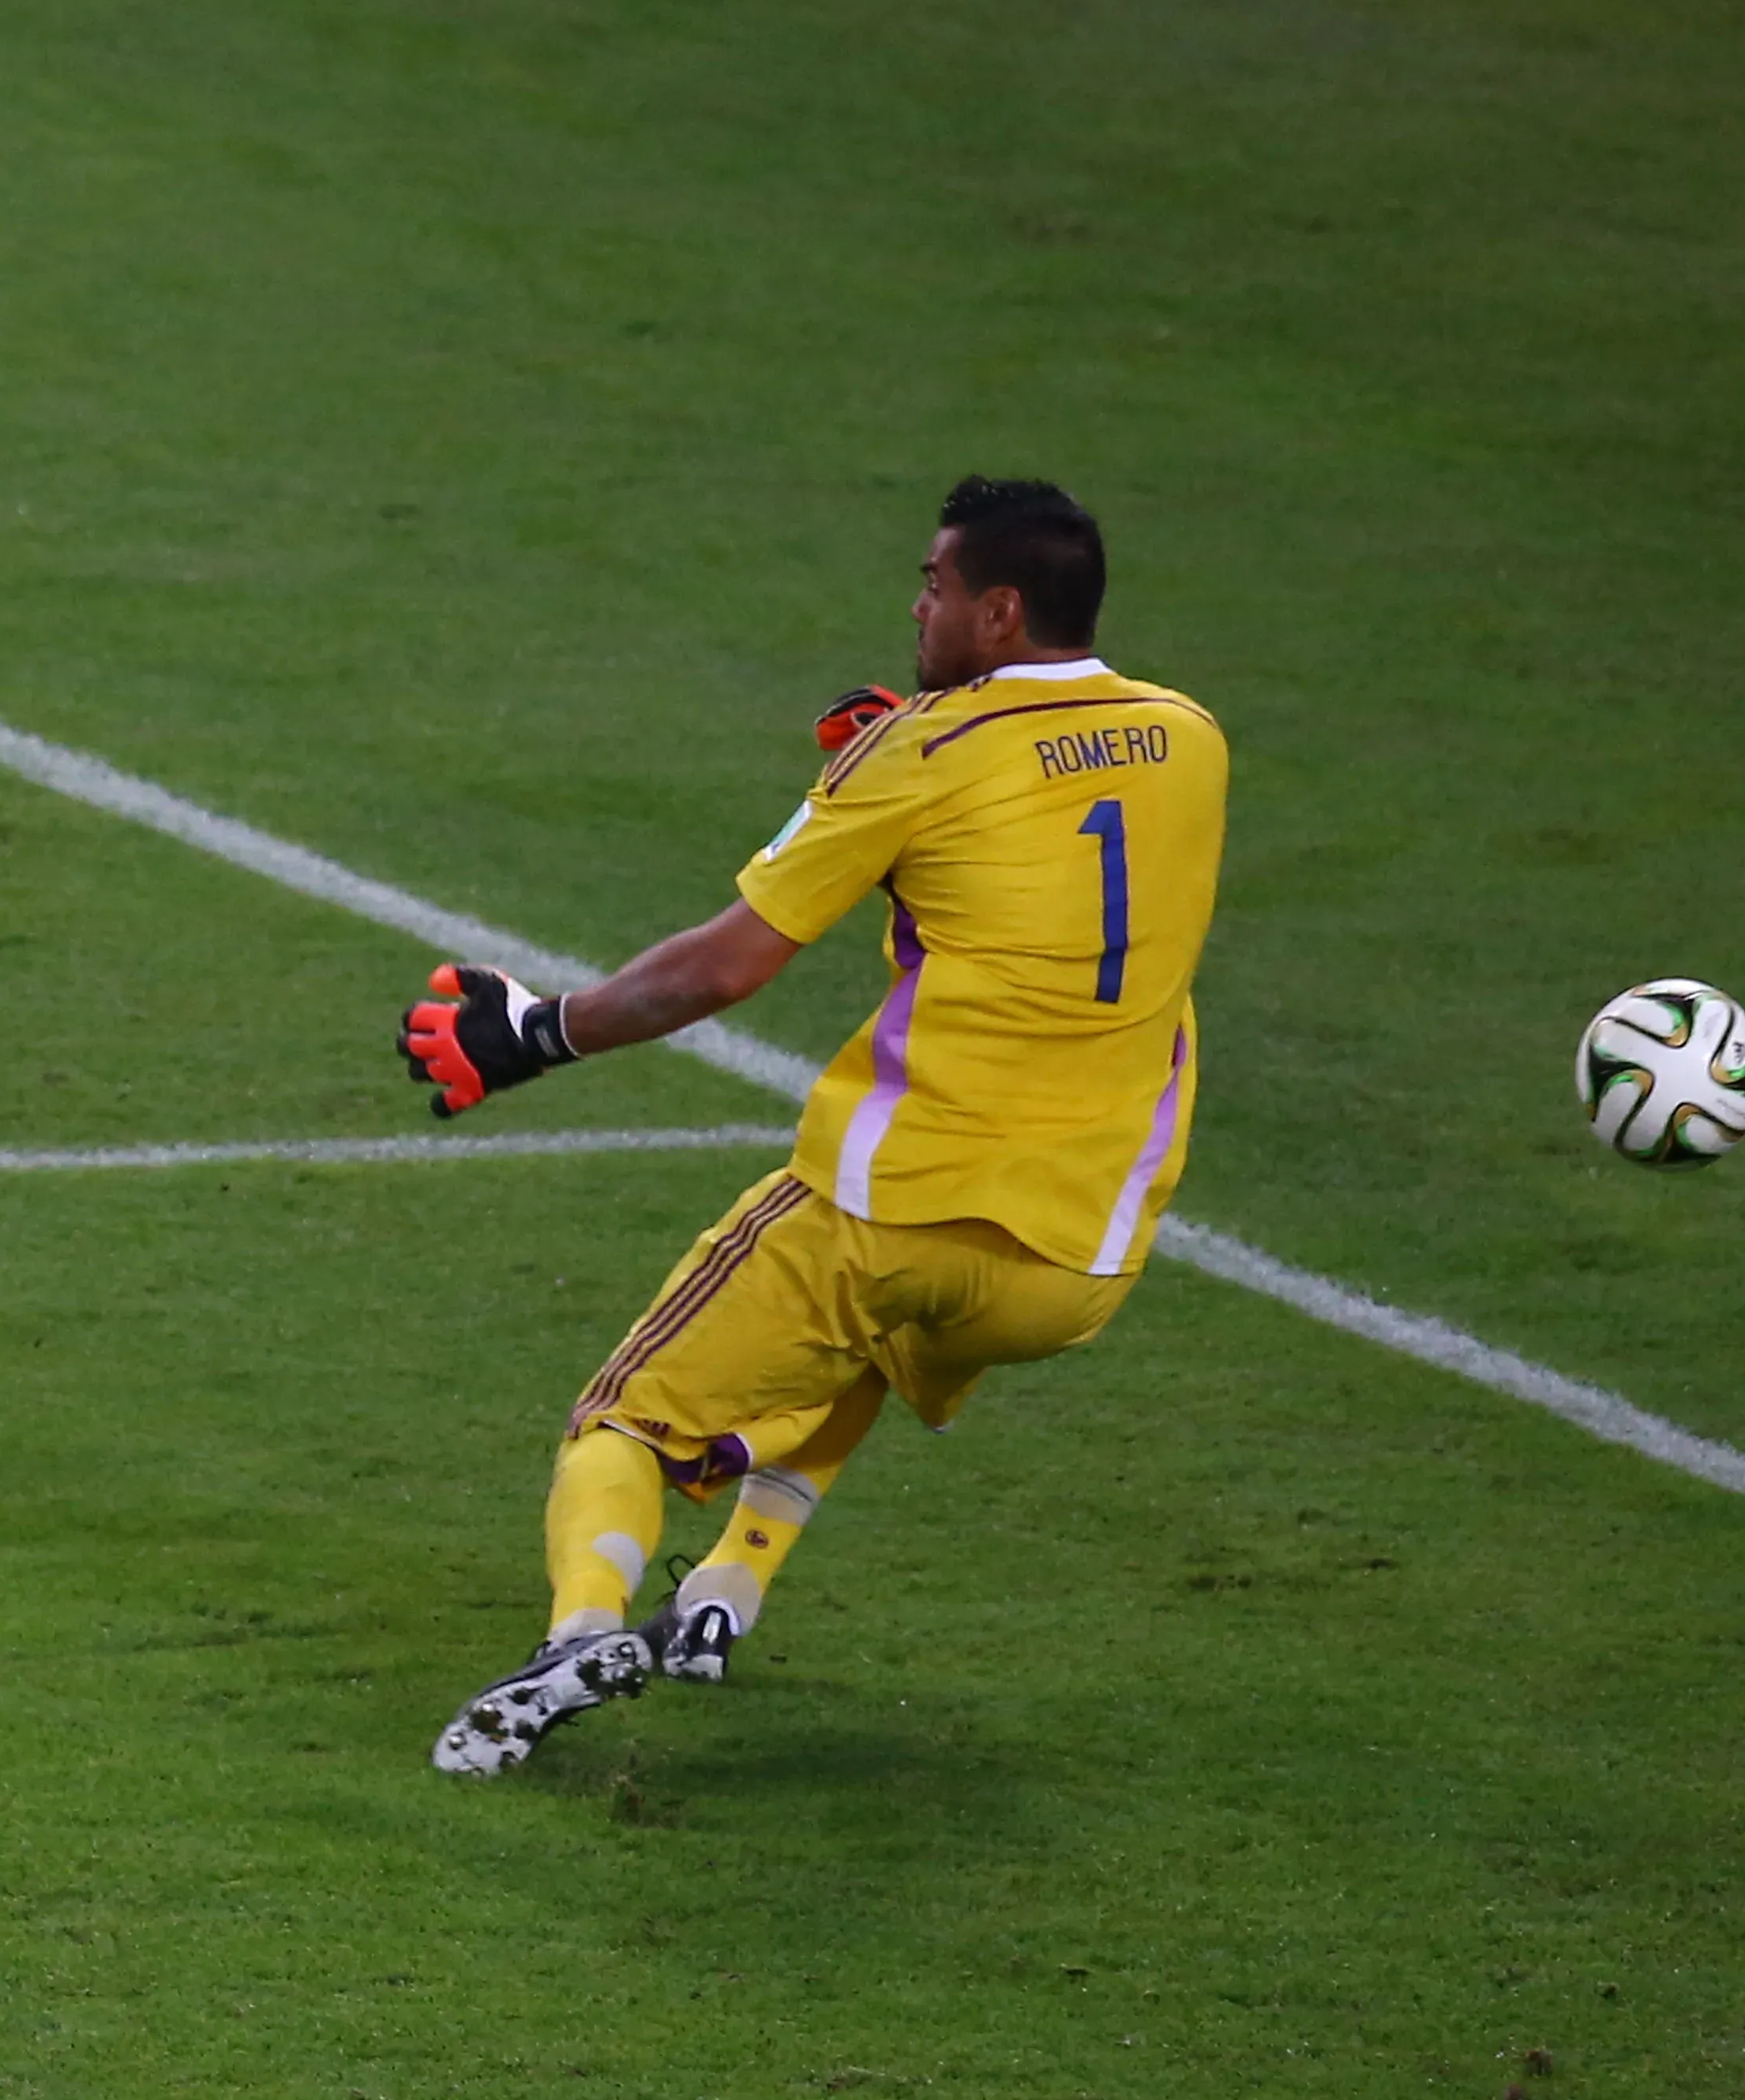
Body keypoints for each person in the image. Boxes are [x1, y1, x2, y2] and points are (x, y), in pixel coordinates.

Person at [395, 477, 1227, 1775]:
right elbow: (1041, 846)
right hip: (1076, 1263)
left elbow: (718, 970)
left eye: (937, 587)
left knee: (625, 1421)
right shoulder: (1191, 738)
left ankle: (577, 1636)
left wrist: (540, 1031)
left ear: (1000, 611)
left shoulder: (917, 758)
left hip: (888, 1202)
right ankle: (733, 1584)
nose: (918, 605)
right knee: (875, 1345)